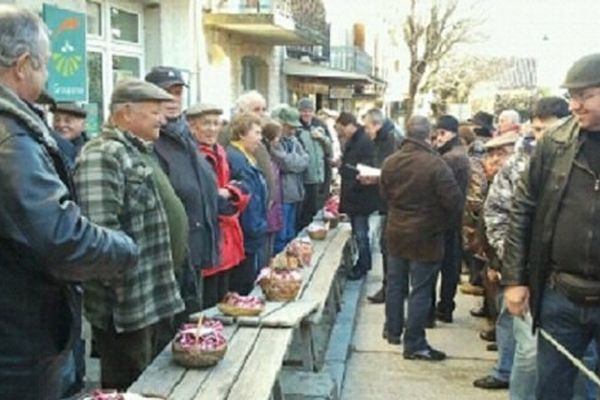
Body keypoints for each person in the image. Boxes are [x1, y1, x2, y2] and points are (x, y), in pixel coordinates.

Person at [0, 6, 138, 399]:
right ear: (23, 65)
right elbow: (60, 237)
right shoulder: (11, 138)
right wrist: (125, 248)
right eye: (44, 65)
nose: (47, 76)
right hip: (16, 342)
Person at [74, 79, 185, 390]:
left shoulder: (136, 150)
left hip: (150, 299)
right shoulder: (102, 154)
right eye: (154, 112)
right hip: (126, 307)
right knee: (128, 387)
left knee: (150, 385)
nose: (162, 119)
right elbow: (99, 236)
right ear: (125, 113)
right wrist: (121, 291)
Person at [503, 53, 600, 400]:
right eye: (571, 95)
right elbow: (523, 210)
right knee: (551, 390)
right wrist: (514, 280)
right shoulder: (554, 143)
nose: (574, 105)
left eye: (585, 95)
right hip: (560, 294)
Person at [476, 97, 570, 396]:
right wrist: (511, 261)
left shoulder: (582, 160)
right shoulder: (518, 166)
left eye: (549, 129)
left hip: (574, 280)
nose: (542, 137)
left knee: (578, 361)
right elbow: (496, 214)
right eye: (538, 129)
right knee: (528, 354)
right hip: (526, 274)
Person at [381, 115, 462, 359]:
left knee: (395, 284)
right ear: (430, 135)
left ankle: (393, 330)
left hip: (396, 231)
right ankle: (414, 342)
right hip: (426, 235)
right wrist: (442, 223)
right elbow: (454, 201)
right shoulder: (435, 164)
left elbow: (385, 195)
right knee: (421, 289)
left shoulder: (391, 162)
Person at [145, 66, 221, 317]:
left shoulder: (185, 137)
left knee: (192, 326)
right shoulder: (152, 140)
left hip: (196, 249)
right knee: (173, 336)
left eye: (177, 93)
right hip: (170, 256)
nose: (172, 100)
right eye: (165, 94)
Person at [188, 103, 249, 307]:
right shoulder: (193, 154)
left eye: (216, 124)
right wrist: (232, 195)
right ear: (192, 126)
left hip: (227, 238)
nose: (212, 129)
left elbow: (244, 190)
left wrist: (231, 193)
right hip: (208, 240)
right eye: (206, 123)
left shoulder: (220, 152)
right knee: (207, 303)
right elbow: (214, 202)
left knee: (224, 298)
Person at [432, 115, 471, 323]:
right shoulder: (455, 154)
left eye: (441, 133)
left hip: (445, 219)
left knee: (442, 267)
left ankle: (441, 308)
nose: (438, 138)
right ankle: (445, 306)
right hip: (453, 218)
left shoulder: (451, 158)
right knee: (449, 267)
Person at [362, 108, 402, 303]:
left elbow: (390, 171)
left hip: (393, 203)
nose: (367, 132)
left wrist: (375, 178)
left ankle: (391, 288)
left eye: (368, 127)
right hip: (388, 201)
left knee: (389, 247)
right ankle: (392, 287)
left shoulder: (390, 139)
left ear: (376, 124)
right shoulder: (386, 137)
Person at [227, 113, 268, 295]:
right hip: (246, 231)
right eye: (256, 133)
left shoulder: (245, 157)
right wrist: (257, 227)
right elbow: (248, 199)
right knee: (243, 282)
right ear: (242, 134)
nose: (260, 138)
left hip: (251, 229)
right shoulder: (236, 159)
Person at [336, 112, 379, 280]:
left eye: (341, 129)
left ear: (349, 125)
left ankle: (363, 265)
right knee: (358, 232)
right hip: (355, 194)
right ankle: (361, 262)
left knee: (361, 233)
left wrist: (344, 168)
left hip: (360, 196)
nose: (341, 133)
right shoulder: (355, 141)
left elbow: (362, 168)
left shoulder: (362, 142)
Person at [271, 105, 310, 253]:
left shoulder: (294, 140)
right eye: (289, 127)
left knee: (291, 232)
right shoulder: (275, 141)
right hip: (282, 194)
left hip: (295, 192)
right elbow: (286, 163)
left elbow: (306, 159)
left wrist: (294, 161)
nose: (293, 130)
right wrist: (296, 161)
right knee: (282, 235)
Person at [297, 97, 333, 230]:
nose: (306, 114)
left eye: (309, 110)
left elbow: (329, 149)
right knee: (305, 212)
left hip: (321, 175)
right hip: (305, 176)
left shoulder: (320, 126)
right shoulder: (297, 129)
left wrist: (322, 138)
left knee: (318, 208)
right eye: (303, 111)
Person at [261, 119, 284, 261]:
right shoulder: (266, 156)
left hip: (275, 201)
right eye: (277, 137)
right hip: (269, 203)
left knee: (271, 238)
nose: (279, 140)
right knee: (265, 243)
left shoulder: (271, 153)